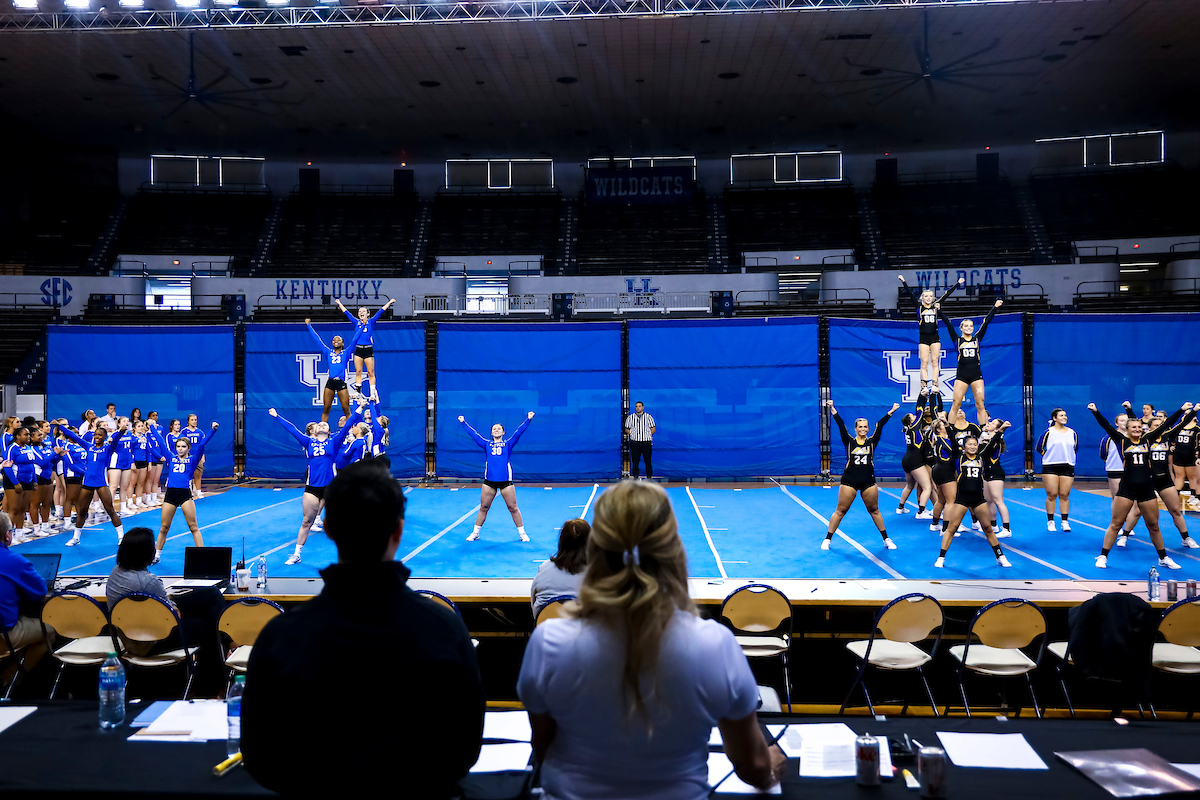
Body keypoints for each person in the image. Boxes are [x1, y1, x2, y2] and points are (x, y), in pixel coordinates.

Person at [517, 480, 786, 798]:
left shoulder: (549, 642)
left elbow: (544, 750)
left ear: (597, 554)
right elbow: (753, 767)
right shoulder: (713, 645)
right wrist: (773, 763)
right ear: (672, 552)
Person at [243, 459, 484, 797]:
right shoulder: (444, 629)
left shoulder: (282, 636)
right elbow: (462, 752)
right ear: (398, 530)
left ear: (328, 529)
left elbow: (261, 757)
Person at [105, 527, 224, 693]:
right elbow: (174, 617)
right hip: (150, 641)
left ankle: (215, 676)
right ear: (147, 553)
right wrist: (173, 605)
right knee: (207, 626)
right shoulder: (149, 581)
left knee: (210, 594)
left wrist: (170, 601)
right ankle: (213, 686)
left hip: (130, 634)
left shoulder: (115, 573)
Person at [1089, 401, 1195, 569]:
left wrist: (1181, 410)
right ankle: (1103, 556)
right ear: (1127, 429)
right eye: (1134, 427)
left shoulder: (1147, 439)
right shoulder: (1121, 440)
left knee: (1153, 526)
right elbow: (1106, 426)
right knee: (1116, 524)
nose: (1137, 429)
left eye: (1139, 427)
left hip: (1146, 488)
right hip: (1127, 488)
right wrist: (1096, 412)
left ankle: (1163, 557)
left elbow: (1167, 424)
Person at [269, 403, 364, 565]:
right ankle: (297, 554)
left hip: (331, 487)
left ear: (329, 431)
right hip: (312, 488)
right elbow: (292, 430)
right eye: (320, 424)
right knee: (306, 522)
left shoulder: (334, 442)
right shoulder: (308, 442)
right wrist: (277, 416)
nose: (321, 425)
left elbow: (348, 424)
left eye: (325, 424)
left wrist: (360, 408)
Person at [822, 399, 900, 551]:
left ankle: (886, 539)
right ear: (856, 429)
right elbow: (841, 425)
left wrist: (891, 411)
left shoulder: (872, 442)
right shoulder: (849, 441)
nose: (863, 429)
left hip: (868, 481)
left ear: (868, 428)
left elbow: (880, 425)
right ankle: (827, 539)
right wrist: (832, 409)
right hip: (849, 480)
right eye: (860, 427)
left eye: (865, 427)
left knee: (874, 510)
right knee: (840, 511)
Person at [934, 426, 1013, 569]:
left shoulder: (981, 457)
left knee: (988, 528)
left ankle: (1000, 556)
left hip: (978, 499)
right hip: (962, 499)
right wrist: (947, 426)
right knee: (951, 528)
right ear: (964, 447)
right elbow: (953, 441)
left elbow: (991, 444)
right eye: (969, 444)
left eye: (975, 444)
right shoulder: (959, 457)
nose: (972, 446)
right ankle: (941, 557)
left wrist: (1001, 431)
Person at [148, 421, 218, 564]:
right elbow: (161, 443)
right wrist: (152, 428)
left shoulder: (192, 460)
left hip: (185, 494)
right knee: (164, 527)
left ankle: (202, 554)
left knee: (193, 526)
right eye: (178, 446)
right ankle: (157, 555)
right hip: (171, 494)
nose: (180, 449)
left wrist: (212, 430)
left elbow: (202, 445)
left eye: (183, 446)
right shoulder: (171, 457)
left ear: (188, 448)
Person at [459, 412, 535, 543]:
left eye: (499, 428)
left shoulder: (508, 444)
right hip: (489, 482)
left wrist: (528, 420)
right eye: (494, 428)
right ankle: (475, 533)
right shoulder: (487, 444)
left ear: (503, 432)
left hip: (506, 482)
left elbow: (518, 433)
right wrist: (463, 423)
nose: (496, 430)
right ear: (491, 432)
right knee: (484, 507)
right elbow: (474, 435)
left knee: (513, 508)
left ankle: (522, 533)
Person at [55, 420, 127, 547]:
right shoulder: (89, 446)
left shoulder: (108, 448)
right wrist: (59, 426)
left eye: (100, 435)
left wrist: (120, 431)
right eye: (95, 434)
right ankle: (76, 538)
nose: (97, 437)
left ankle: (121, 536)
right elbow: (74, 436)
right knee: (82, 511)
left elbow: (115, 439)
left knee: (110, 509)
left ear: (105, 437)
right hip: (87, 483)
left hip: (101, 482)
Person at [938, 299, 1002, 427]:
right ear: (961, 328)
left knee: (980, 404)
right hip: (962, 375)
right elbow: (948, 324)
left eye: (971, 326)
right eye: (966, 326)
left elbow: (986, 322)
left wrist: (994, 307)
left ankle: (983, 431)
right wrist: (939, 311)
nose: (969, 328)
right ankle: (950, 430)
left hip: (976, 375)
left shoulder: (977, 339)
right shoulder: (957, 340)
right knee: (956, 403)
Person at [0, 512, 54, 659]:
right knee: (51, 630)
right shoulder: (14, 561)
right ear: (7, 535)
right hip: (5, 634)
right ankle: (13, 672)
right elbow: (40, 591)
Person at [898, 275, 963, 391]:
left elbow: (946, 294)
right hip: (923, 337)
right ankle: (924, 385)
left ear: (933, 298)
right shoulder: (919, 307)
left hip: (935, 337)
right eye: (926, 296)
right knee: (924, 362)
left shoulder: (936, 306)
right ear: (922, 298)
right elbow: (910, 294)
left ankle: (934, 384)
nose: (928, 298)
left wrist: (957, 283)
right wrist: (903, 281)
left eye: (930, 296)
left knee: (934, 361)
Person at [336, 298, 396, 400]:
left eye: (363, 311)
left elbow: (381, 311)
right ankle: (358, 392)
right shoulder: (356, 322)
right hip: (358, 349)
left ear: (368, 314)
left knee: (370, 372)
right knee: (358, 372)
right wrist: (339, 303)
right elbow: (346, 312)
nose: (361, 313)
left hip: (368, 349)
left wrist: (389, 302)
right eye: (360, 311)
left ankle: (372, 393)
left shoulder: (371, 321)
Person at [305, 318, 361, 423]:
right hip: (330, 381)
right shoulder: (328, 352)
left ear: (342, 343)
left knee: (346, 409)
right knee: (326, 408)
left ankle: (351, 429)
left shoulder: (346, 352)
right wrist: (309, 326)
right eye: (334, 340)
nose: (336, 341)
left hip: (341, 381)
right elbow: (318, 340)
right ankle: (323, 428)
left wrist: (362, 327)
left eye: (338, 340)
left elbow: (355, 339)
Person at [532, 519, 590, 618]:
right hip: (587, 626)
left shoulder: (544, 569)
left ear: (562, 542)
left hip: (546, 626)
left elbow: (534, 603)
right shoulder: (600, 571)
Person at [1037, 408, 1079, 533]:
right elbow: (1039, 447)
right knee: (1052, 494)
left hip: (1067, 466)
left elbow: (1075, 448)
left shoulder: (1072, 433)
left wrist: (1067, 457)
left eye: (1065, 415)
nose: (1064, 417)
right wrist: (1049, 456)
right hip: (1050, 466)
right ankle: (1050, 521)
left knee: (1064, 494)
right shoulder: (1048, 432)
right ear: (1055, 418)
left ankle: (1065, 522)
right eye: (1061, 415)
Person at [896, 390, 935, 519]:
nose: (915, 417)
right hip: (915, 460)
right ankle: (921, 512)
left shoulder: (908, 429)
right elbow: (920, 410)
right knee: (927, 487)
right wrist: (922, 396)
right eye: (912, 417)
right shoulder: (914, 427)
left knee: (910, 485)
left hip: (907, 459)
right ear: (910, 422)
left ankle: (900, 507)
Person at [980, 418, 1012, 539]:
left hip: (995, 472)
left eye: (992, 423)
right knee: (988, 500)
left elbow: (984, 452)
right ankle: (993, 525)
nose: (989, 423)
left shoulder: (996, 441)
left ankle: (1006, 529)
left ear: (997, 428)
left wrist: (1000, 431)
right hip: (986, 473)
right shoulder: (985, 438)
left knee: (998, 500)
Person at [624, 401, 656, 480]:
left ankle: (649, 478)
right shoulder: (630, 417)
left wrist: (647, 435)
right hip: (635, 443)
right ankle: (635, 478)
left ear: (643, 407)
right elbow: (626, 429)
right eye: (636, 406)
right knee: (635, 462)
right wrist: (632, 434)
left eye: (639, 406)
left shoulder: (648, 417)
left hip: (646, 443)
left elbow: (653, 429)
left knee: (648, 461)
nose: (638, 408)